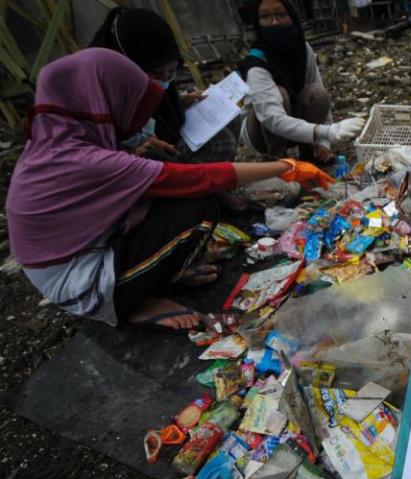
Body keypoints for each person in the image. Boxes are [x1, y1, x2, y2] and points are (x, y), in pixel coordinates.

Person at [6, 49, 331, 331]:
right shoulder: (83, 159)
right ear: (101, 100)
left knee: (160, 169)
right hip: (81, 285)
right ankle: (131, 304)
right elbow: (195, 179)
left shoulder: (56, 141)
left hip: (89, 249)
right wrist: (286, 167)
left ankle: (151, 276)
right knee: (197, 208)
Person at [89, 7, 237, 165]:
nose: (164, 81)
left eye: (171, 72)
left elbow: (159, 109)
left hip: (165, 137)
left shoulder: (152, 71)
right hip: (130, 161)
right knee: (222, 143)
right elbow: (95, 148)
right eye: (157, 74)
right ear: (130, 65)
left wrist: (181, 101)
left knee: (232, 119)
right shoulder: (98, 88)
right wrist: (131, 149)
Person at [239, 0, 364, 165]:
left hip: (295, 126)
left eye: (281, 14)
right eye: (266, 17)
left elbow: (318, 90)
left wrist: (322, 142)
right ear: (258, 22)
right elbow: (272, 118)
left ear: (292, 16)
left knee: (317, 93)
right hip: (262, 131)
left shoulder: (303, 50)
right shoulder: (256, 64)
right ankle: (278, 161)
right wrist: (325, 131)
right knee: (280, 94)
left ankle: (311, 154)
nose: (275, 22)